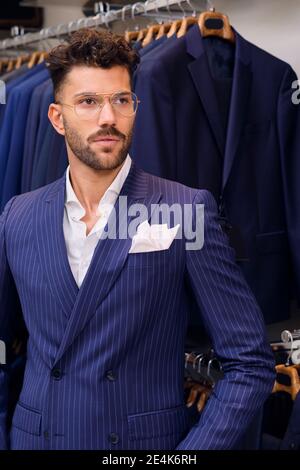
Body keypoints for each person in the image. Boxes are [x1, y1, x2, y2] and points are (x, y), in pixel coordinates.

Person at [0, 28, 275, 450]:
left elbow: (250, 364)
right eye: (88, 102)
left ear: (134, 107)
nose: (107, 117)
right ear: (57, 117)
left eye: (121, 101)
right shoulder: (17, 216)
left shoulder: (186, 209)